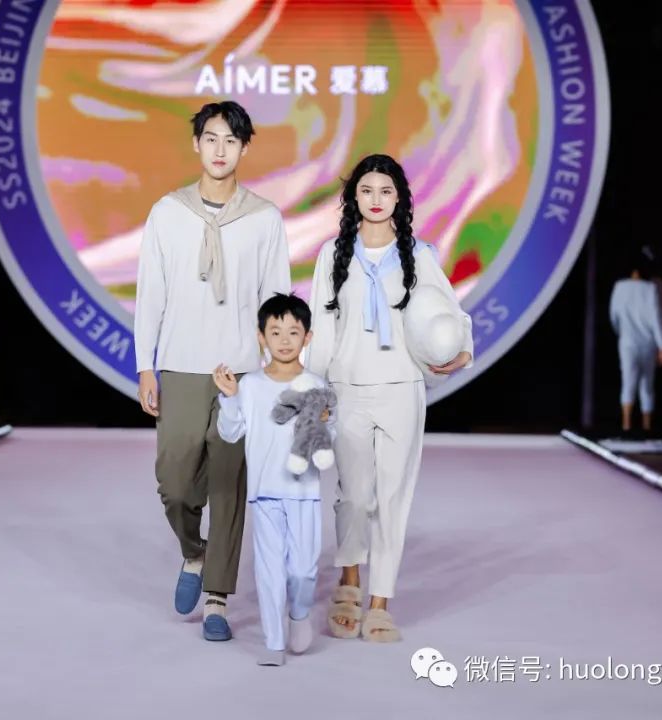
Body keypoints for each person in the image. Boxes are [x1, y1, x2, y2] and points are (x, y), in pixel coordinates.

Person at [133, 101, 291, 641]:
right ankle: (193, 553)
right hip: (180, 365)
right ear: (196, 144)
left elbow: (276, 298)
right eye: (211, 138)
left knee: (228, 485)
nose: (220, 149)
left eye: (231, 140)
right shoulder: (167, 213)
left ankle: (218, 598)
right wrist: (146, 365)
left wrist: (274, 371)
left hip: (241, 371)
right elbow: (151, 295)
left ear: (244, 148)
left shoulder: (264, 218)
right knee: (175, 482)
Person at [307, 154, 473, 641]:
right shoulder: (332, 255)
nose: (376, 200)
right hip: (348, 387)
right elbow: (322, 326)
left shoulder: (419, 255)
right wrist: (314, 389)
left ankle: (379, 602)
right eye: (366, 190)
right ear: (353, 197)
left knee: (393, 497)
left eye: (385, 191)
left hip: (401, 387)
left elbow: (448, 313)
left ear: (399, 197)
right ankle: (349, 582)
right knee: (353, 496)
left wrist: (461, 351)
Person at [214, 293, 332, 666]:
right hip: (264, 493)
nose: (284, 340)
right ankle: (273, 644)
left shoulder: (316, 384)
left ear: (307, 337)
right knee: (270, 571)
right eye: (275, 331)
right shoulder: (249, 385)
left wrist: (327, 424)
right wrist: (230, 398)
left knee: (303, 571)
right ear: (261, 336)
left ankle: (299, 613)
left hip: (305, 492)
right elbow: (230, 432)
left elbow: (329, 440)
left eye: (293, 332)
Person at [608, 252, 662, 434]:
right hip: (647, 343)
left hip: (628, 342)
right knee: (646, 386)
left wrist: (621, 332)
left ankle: (627, 425)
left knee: (628, 382)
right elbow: (657, 318)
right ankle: (645, 427)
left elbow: (614, 315)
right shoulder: (650, 289)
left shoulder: (620, 287)